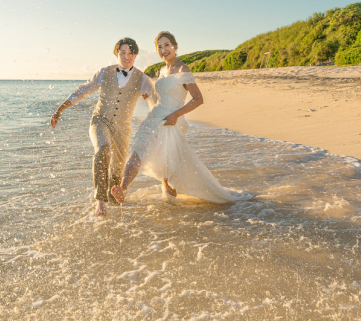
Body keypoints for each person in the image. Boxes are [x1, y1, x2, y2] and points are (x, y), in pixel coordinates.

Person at [111, 31, 243, 204]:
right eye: (159, 47)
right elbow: (161, 97)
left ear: (174, 46)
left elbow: (198, 99)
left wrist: (175, 115)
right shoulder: (162, 70)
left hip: (172, 121)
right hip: (155, 116)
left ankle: (174, 208)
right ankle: (123, 188)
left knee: (168, 171)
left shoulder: (183, 69)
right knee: (138, 151)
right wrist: (149, 97)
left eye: (167, 45)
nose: (164, 50)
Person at [50, 37, 155, 217]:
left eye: (130, 53)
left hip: (123, 129)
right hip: (100, 120)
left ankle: (114, 207)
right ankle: (100, 201)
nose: (126, 57)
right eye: (122, 52)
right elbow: (83, 90)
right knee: (102, 149)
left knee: (116, 172)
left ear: (136, 55)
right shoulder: (104, 73)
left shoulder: (143, 79)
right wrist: (60, 108)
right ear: (117, 54)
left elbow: (154, 101)